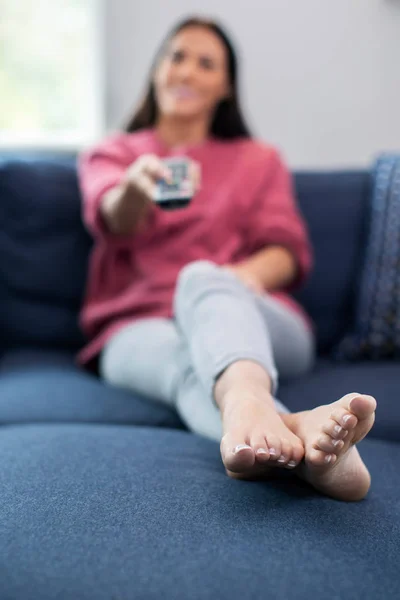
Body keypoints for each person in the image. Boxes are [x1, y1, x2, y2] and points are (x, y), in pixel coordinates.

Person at [78, 16, 376, 501]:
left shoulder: (258, 160)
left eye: (205, 63)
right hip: (139, 325)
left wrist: (231, 283)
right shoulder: (113, 154)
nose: (187, 72)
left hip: (251, 313)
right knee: (187, 366)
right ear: (156, 71)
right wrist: (135, 185)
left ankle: (245, 400)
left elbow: (287, 251)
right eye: (176, 56)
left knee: (201, 279)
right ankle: (300, 440)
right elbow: (114, 217)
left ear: (225, 86)